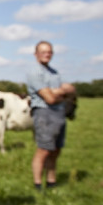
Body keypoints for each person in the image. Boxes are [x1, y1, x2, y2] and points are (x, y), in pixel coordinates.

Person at [26, 41, 76, 191]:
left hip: (59, 114)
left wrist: (56, 92)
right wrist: (62, 93)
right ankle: (38, 184)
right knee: (44, 149)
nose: (47, 54)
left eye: (49, 51)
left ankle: (51, 181)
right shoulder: (35, 72)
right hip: (44, 113)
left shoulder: (54, 72)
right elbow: (50, 98)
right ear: (36, 54)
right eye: (43, 51)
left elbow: (72, 90)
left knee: (56, 149)